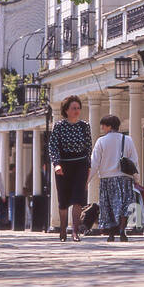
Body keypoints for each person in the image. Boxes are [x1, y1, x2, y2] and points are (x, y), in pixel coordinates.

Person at [87, 114, 139, 243]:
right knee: (124, 206)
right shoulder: (128, 140)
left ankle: (111, 233)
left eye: (103, 125)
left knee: (108, 207)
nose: (102, 128)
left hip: (107, 179)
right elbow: (134, 161)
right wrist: (136, 178)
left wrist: (86, 180)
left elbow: (94, 162)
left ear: (109, 126)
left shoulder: (101, 141)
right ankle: (122, 230)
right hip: (124, 178)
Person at [48, 94, 92, 242]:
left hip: (80, 164)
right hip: (64, 164)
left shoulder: (84, 126)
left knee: (78, 198)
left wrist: (88, 167)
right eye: (74, 108)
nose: (76, 111)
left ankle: (75, 230)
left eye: (78, 108)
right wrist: (56, 163)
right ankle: (62, 228)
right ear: (66, 110)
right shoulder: (59, 126)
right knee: (64, 199)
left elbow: (88, 147)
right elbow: (53, 146)